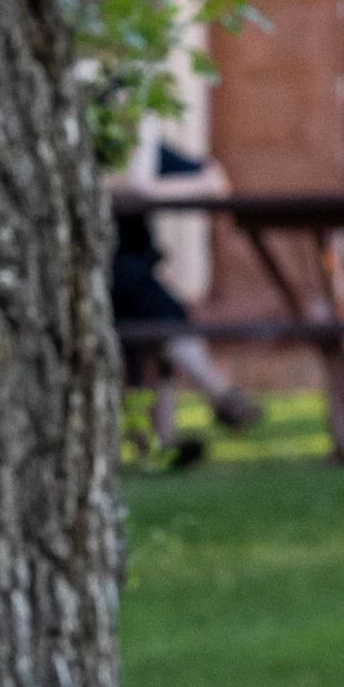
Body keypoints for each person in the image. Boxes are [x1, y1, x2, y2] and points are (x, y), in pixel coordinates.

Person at [108, 143, 263, 467]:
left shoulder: (140, 149)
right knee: (153, 307)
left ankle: (162, 440)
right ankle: (217, 396)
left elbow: (213, 180)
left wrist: (150, 190)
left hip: (133, 276)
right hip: (109, 274)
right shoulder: (96, 139)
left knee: (150, 307)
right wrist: (137, 190)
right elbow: (126, 190)